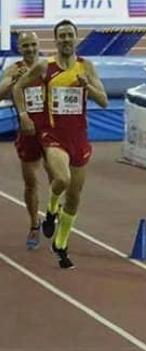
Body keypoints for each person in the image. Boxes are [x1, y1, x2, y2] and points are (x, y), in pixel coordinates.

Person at [13, 19, 108, 269]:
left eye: (70, 35)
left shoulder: (86, 66)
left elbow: (105, 101)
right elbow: (18, 87)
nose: (66, 39)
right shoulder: (46, 66)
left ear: (76, 38)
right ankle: (52, 207)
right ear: (56, 40)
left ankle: (61, 243)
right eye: (62, 36)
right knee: (62, 180)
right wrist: (23, 114)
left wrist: (88, 87)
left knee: (75, 198)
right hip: (53, 135)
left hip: (79, 137)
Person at [0, 31, 50, 250]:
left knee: (58, 177)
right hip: (28, 132)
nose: (30, 49)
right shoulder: (14, 68)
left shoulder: (48, 66)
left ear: (39, 45)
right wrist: (12, 81)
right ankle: (33, 224)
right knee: (30, 182)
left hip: (50, 130)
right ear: (20, 48)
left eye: (33, 44)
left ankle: (53, 212)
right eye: (25, 45)